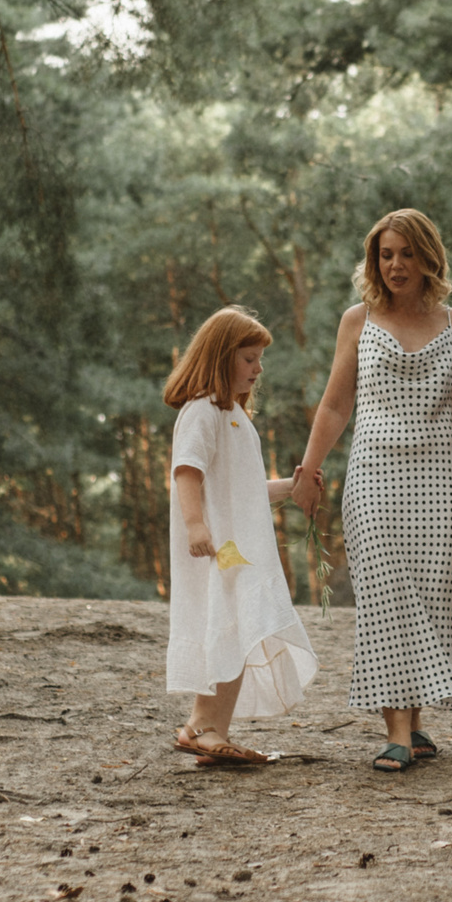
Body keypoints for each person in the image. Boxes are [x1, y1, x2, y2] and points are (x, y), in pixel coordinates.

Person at [293, 210, 452, 773]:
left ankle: (417, 724)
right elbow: (334, 404)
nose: (395, 265)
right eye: (385, 254)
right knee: (386, 596)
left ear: (429, 257)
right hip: (373, 476)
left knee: (434, 592)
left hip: (443, 477)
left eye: (406, 253)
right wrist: (308, 470)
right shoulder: (359, 319)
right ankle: (397, 729)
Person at [162, 306, 320, 765]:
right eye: (249, 358)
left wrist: (292, 487)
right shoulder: (202, 412)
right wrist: (195, 524)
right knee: (228, 627)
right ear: (219, 357)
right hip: (218, 548)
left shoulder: (234, 416)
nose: (258, 368)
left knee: (238, 629)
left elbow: (246, 491)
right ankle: (201, 725)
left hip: (239, 548)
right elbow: (186, 472)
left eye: (259, 359)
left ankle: (206, 726)